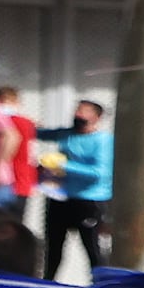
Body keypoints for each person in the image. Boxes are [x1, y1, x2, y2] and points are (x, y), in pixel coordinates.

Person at [43, 98, 114, 277]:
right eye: (77, 110)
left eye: (84, 111)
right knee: (53, 248)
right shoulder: (66, 135)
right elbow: (37, 133)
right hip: (60, 197)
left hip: (89, 200)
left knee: (92, 249)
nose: (78, 115)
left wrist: (63, 165)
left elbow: (100, 173)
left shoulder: (103, 141)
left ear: (96, 117)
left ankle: (101, 285)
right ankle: (47, 283)